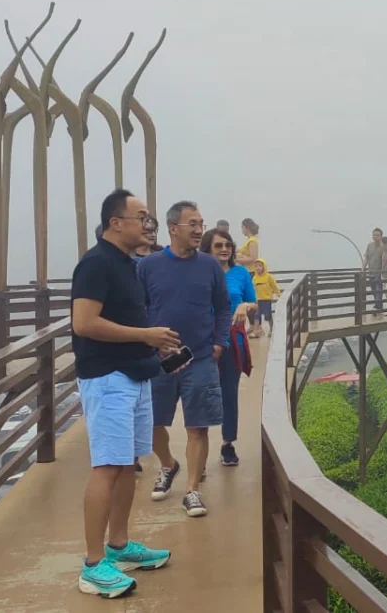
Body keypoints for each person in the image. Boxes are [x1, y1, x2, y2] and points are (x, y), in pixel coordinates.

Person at [71, 189, 175, 598]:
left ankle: (119, 546)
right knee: (108, 466)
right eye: (141, 217)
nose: (147, 224)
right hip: (107, 377)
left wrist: (153, 344)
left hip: (135, 374)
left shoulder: (128, 265)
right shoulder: (96, 264)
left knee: (128, 462)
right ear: (116, 223)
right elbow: (83, 323)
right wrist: (144, 334)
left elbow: (123, 320)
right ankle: (94, 565)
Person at [138, 201, 230, 518]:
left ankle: (192, 490)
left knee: (198, 427)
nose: (199, 229)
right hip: (159, 360)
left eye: (201, 223)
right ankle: (168, 465)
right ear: (173, 228)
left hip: (201, 358)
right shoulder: (148, 267)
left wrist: (220, 343)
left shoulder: (209, 266)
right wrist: (149, 342)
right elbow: (138, 309)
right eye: (193, 223)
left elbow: (223, 307)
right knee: (152, 422)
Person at [200, 228, 257, 467]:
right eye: (218, 245)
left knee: (229, 393)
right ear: (208, 249)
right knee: (199, 392)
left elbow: (254, 302)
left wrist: (245, 305)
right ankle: (198, 453)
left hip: (232, 340)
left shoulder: (241, 273)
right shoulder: (198, 273)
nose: (224, 249)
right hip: (202, 339)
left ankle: (227, 443)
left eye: (228, 245)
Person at [252, 258, 281, 337]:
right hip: (258, 300)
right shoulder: (255, 278)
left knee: (268, 316)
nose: (258, 268)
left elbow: (274, 286)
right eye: (256, 266)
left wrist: (279, 295)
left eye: (260, 266)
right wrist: (253, 298)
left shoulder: (269, 277)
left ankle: (272, 329)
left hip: (267, 299)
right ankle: (256, 331)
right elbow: (253, 289)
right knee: (257, 315)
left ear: (264, 267)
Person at [363, 227, 385, 313]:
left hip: (380, 272)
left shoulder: (383, 247)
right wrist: (363, 269)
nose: (375, 237)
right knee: (374, 291)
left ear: (381, 236)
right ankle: (379, 307)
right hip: (370, 272)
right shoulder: (370, 245)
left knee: (378, 290)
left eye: (377, 235)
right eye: (374, 235)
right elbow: (366, 258)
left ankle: (377, 307)